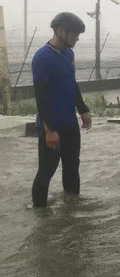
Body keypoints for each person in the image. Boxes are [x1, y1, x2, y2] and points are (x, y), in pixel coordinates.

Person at [31, 12, 92, 208]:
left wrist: (83, 109)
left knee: (72, 167)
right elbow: (41, 97)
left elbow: (71, 84)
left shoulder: (68, 54)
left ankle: (72, 212)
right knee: (47, 171)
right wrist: (49, 131)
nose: (77, 38)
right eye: (74, 34)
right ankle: (40, 214)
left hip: (70, 123)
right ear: (60, 31)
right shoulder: (42, 58)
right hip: (52, 126)